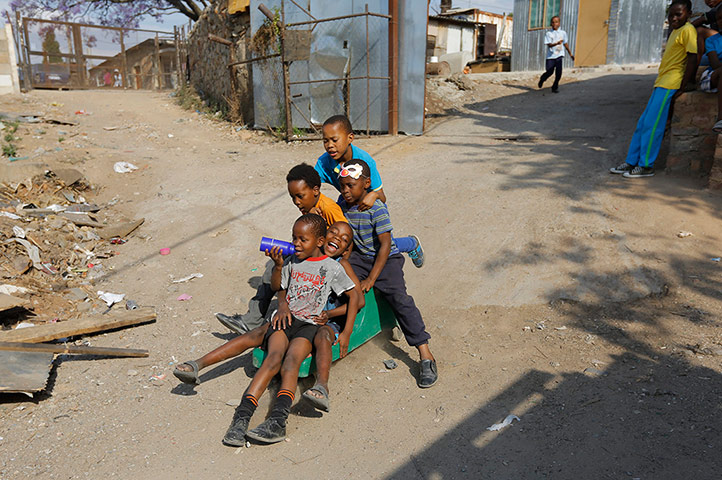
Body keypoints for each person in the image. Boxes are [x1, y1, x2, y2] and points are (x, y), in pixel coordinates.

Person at [173, 221, 363, 398]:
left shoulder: (339, 265)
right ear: (322, 237)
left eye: (344, 240)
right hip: (294, 315)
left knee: (314, 341)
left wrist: (338, 324)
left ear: (346, 250)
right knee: (255, 335)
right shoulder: (302, 256)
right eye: (333, 233)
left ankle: (321, 386)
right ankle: (198, 364)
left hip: (321, 320)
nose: (337, 239)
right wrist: (282, 304)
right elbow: (283, 287)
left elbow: (358, 299)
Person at [222, 214, 358, 445]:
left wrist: (345, 331)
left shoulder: (334, 267)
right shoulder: (295, 261)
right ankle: (241, 418)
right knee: (271, 362)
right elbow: (281, 288)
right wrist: (278, 272)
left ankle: (278, 419)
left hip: (312, 325)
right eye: (294, 238)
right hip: (289, 320)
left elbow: (356, 297)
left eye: (301, 239)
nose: (296, 243)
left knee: (291, 363)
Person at [337, 159, 438, 389]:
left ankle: (425, 354)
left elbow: (385, 245)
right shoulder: (343, 203)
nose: (345, 190)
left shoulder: (376, 208)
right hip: (360, 256)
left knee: (399, 297)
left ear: (366, 183)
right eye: (342, 185)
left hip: (386, 257)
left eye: (350, 185)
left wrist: (372, 278)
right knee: (340, 284)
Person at [215, 164, 348, 335]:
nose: (297, 202)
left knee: (276, 267)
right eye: (293, 197)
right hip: (312, 253)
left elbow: (344, 235)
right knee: (274, 264)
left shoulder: (327, 208)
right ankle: (251, 319)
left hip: (322, 260)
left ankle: (252, 320)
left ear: (315, 190)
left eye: (300, 196)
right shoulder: (311, 207)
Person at [315, 115, 425, 268]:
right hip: (347, 200)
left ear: (350, 138)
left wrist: (373, 195)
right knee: (347, 237)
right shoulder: (324, 162)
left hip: (369, 202)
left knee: (382, 246)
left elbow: (382, 196)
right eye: (325, 141)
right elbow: (311, 187)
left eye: (334, 140)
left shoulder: (365, 161)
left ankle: (411, 243)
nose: (330, 146)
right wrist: (315, 206)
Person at [610, 0, 697, 178]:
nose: (673, 18)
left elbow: (693, 58)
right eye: (670, 14)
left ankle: (646, 165)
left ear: (688, 13)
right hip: (661, 82)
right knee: (643, 123)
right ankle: (631, 161)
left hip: (671, 83)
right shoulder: (675, 31)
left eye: (678, 14)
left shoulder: (688, 30)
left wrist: (683, 85)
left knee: (653, 125)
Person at [698, 7, 722, 132]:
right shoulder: (712, 40)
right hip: (712, 76)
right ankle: (721, 119)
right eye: (719, 19)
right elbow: (715, 64)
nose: (721, 21)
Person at [537, 16, 574, 94]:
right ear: (551, 23)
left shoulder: (563, 33)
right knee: (549, 72)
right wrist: (556, 43)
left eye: (556, 22)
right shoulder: (548, 33)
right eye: (553, 22)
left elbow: (565, 44)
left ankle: (554, 87)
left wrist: (570, 54)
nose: (554, 24)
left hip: (559, 55)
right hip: (551, 56)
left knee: (559, 73)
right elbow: (549, 45)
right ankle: (542, 79)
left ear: (559, 23)